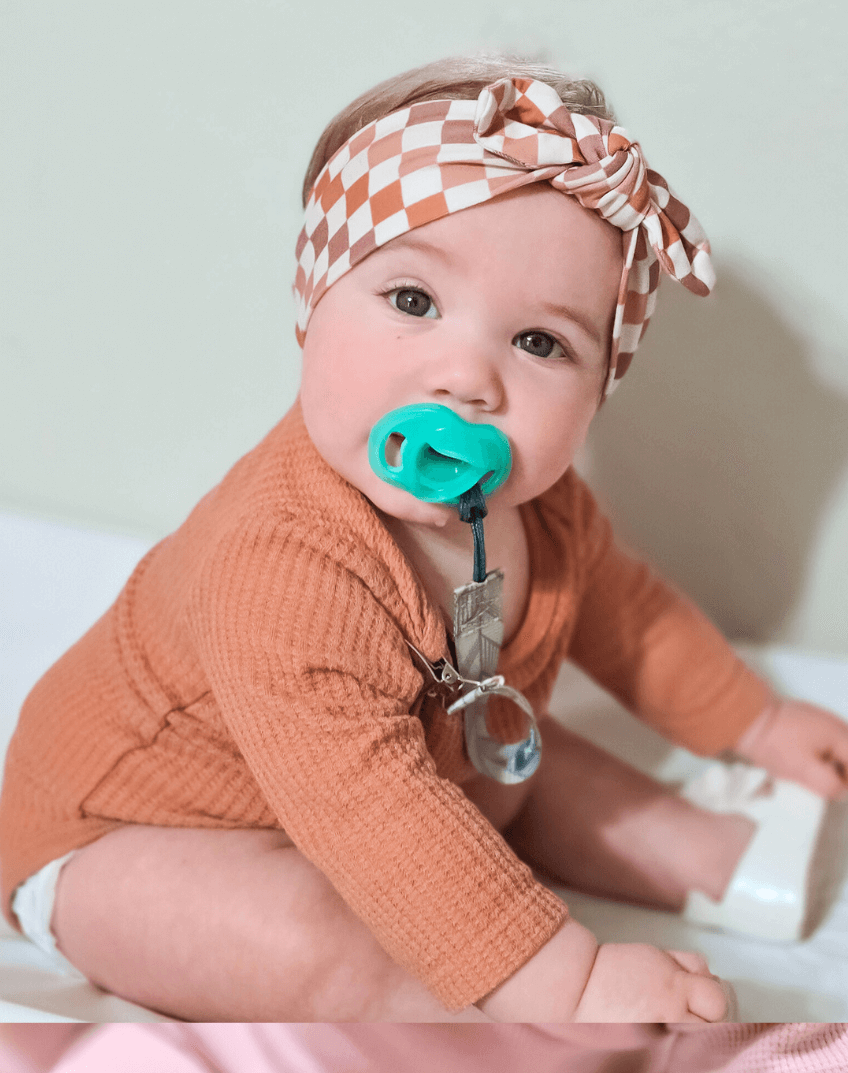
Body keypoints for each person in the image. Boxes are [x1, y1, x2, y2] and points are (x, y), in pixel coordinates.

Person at [1, 53, 847, 1024]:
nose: (466, 378)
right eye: (413, 301)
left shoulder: (546, 507)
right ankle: (508, 1014)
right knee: (318, 933)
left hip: (411, 760)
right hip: (130, 841)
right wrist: (559, 978)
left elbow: (632, 618)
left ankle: (704, 845)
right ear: (314, 299)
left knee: (517, 752)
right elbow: (370, 809)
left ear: (596, 390)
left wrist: (755, 722)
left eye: (539, 343)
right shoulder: (277, 563)